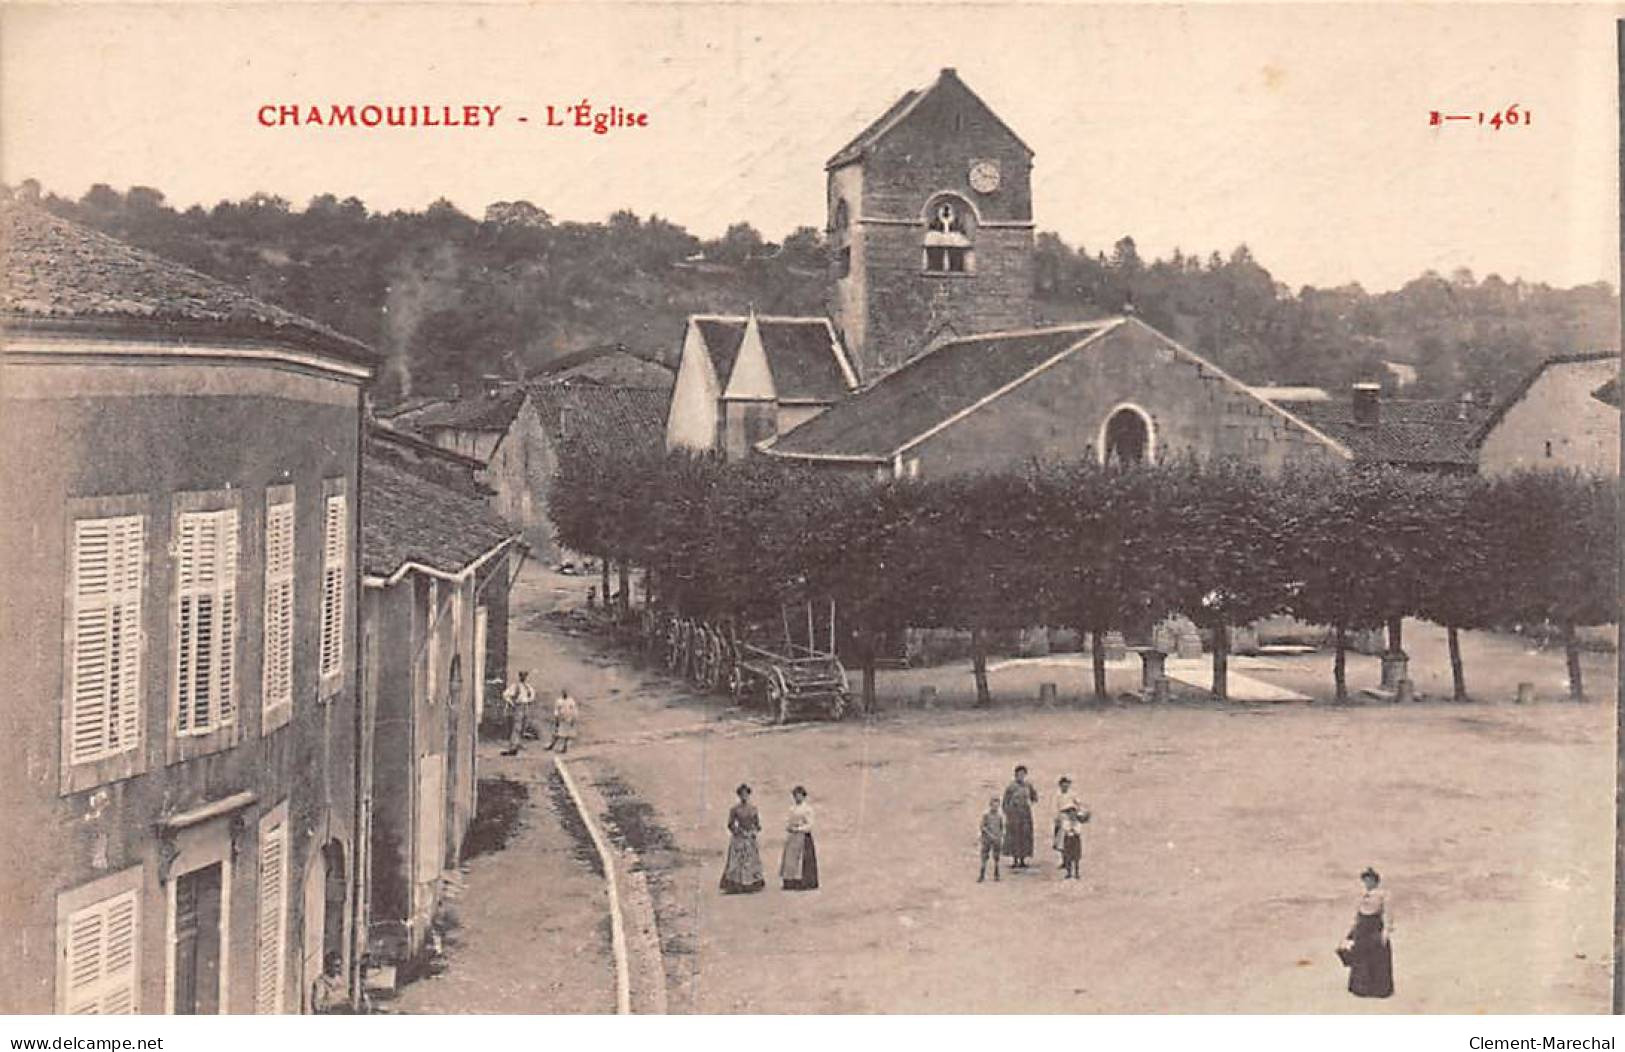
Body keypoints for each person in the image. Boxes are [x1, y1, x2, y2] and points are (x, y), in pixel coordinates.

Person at [1342, 867, 1395, 998]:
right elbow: (1357, 915)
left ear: (1376, 881)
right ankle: (1361, 989)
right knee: (1360, 957)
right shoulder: (1362, 895)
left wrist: (1386, 931)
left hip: (1374, 928)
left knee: (1377, 958)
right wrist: (1351, 932)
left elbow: (1388, 914)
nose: (1367, 883)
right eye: (1365, 880)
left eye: (1370, 880)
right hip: (1361, 929)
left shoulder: (1383, 894)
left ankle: (1378, 990)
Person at [720, 783, 765, 893]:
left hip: (750, 838)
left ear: (749, 795)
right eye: (741, 794)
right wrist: (739, 832)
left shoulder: (754, 809)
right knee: (736, 862)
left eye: (746, 794)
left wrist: (753, 832)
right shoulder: (735, 809)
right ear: (739, 796)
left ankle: (751, 884)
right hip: (739, 838)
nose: (744, 796)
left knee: (751, 861)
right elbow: (730, 824)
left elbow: (758, 825)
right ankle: (736, 885)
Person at [780, 785, 819, 890]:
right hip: (792, 837)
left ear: (803, 796)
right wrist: (789, 827)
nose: (797, 797)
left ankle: (803, 881)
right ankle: (790, 880)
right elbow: (788, 821)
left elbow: (810, 824)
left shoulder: (807, 809)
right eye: (795, 795)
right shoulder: (792, 808)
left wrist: (799, 828)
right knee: (790, 859)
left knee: (802, 860)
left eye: (799, 795)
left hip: (803, 837)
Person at [1002, 765, 1039, 868]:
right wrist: (1008, 813)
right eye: (1019, 774)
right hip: (1014, 814)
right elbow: (1005, 802)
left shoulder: (1028, 785)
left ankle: (1022, 860)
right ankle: (1015, 860)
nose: (1021, 776)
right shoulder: (1011, 787)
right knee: (1014, 836)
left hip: (1025, 814)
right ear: (1015, 775)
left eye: (1023, 774)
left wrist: (1030, 801)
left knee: (1025, 836)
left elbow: (1035, 797)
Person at [501, 670, 536, 756]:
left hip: (525, 706)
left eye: (525, 676)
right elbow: (505, 694)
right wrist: (511, 703)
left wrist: (529, 700)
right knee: (517, 727)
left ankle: (518, 744)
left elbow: (532, 695)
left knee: (524, 726)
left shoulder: (528, 687)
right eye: (522, 676)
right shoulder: (515, 686)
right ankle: (513, 747)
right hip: (519, 706)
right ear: (520, 677)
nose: (524, 677)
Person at [1052, 775, 1081, 866]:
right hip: (1061, 817)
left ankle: (1071, 860)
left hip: (1071, 817)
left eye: (1067, 785)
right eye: (1063, 785)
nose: (1065, 786)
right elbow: (1054, 807)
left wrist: (1076, 812)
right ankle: (1064, 860)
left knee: (1071, 840)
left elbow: (1078, 804)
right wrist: (1056, 818)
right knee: (1061, 841)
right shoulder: (1057, 795)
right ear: (1060, 785)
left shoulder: (1072, 794)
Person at [978, 797, 1005, 883]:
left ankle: (996, 874)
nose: (995, 807)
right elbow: (982, 827)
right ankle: (982, 874)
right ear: (990, 805)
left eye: (997, 806)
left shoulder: (999, 816)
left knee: (996, 857)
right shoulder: (986, 815)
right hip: (987, 839)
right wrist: (989, 834)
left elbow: (1001, 827)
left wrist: (1000, 836)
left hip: (996, 839)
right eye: (994, 805)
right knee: (984, 857)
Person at [546, 687, 578, 753]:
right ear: (562, 693)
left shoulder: (571, 701)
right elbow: (556, 710)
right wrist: (556, 718)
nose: (565, 694)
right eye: (564, 692)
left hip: (568, 719)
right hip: (561, 719)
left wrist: (573, 719)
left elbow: (574, 710)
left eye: (566, 692)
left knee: (567, 734)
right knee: (557, 733)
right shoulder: (559, 701)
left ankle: (565, 747)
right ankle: (552, 745)